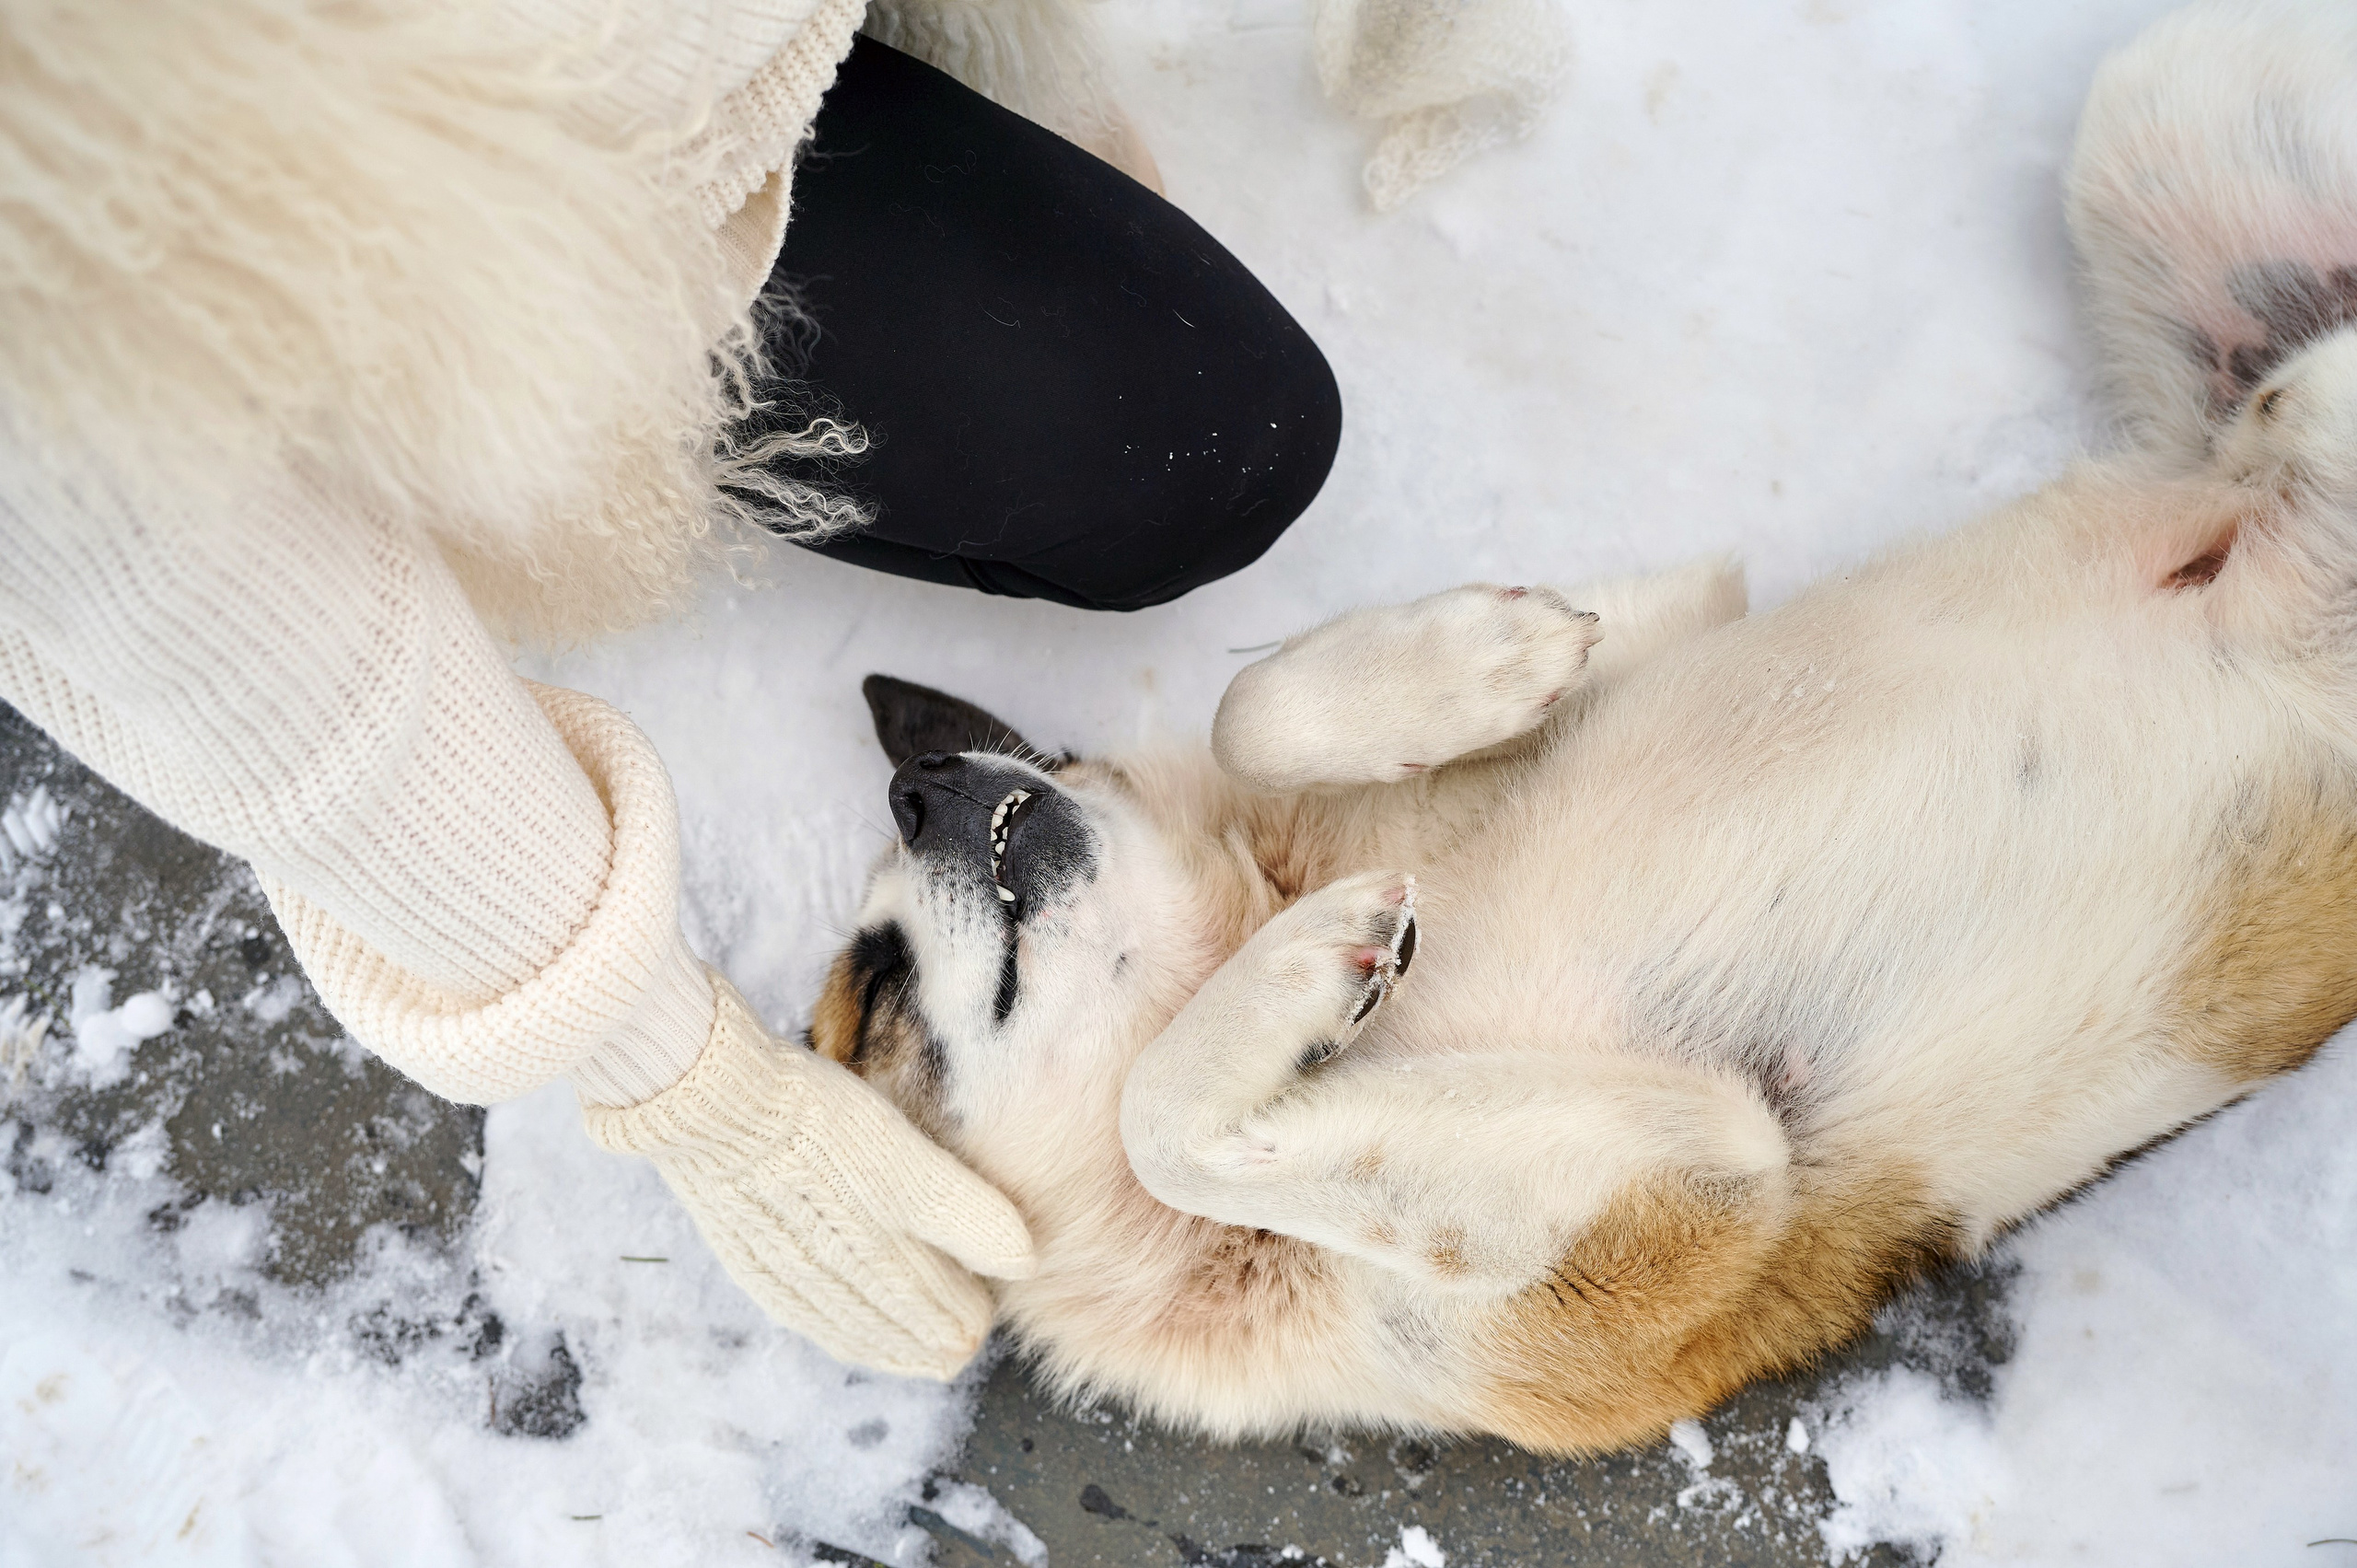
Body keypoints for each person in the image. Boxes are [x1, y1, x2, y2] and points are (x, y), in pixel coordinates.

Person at [0, 0, 1344, 1382]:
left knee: (1208, 417)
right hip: (397, 229)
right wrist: (684, 1074)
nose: (922, 801)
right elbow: (268, 678)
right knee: (1201, 432)